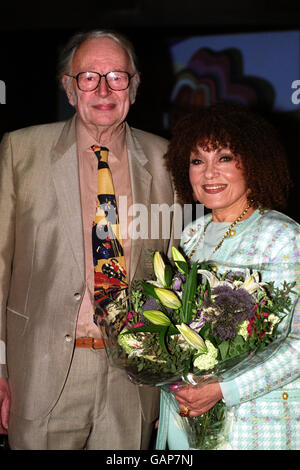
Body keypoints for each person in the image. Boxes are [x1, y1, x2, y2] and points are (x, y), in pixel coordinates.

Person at [0, 29, 179, 450]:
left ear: (133, 88)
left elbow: (175, 274)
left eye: (117, 76)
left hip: (132, 377)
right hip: (41, 375)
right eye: (88, 77)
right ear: (68, 87)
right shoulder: (21, 152)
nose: (103, 88)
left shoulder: (167, 160)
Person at [156, 101, 300, 450]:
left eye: (224, 158)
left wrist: (223, 389)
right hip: (190, 421)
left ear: (252, 162)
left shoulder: (282, 237)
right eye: (197, 161)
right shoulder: (193, 235)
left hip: (258, 423)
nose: (209, 174)